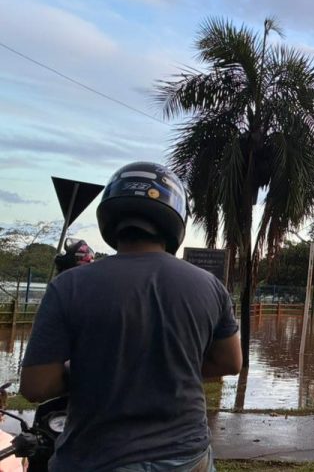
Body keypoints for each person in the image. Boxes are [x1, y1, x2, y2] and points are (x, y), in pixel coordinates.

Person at [20, 162, 243, 471]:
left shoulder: (67, 286)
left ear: (111, 216)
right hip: (186, 457)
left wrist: (94, 368)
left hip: (94, 458)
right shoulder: (210, 286)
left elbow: (35, 386)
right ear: (174, 218)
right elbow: (230, 363)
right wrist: (167, 366)